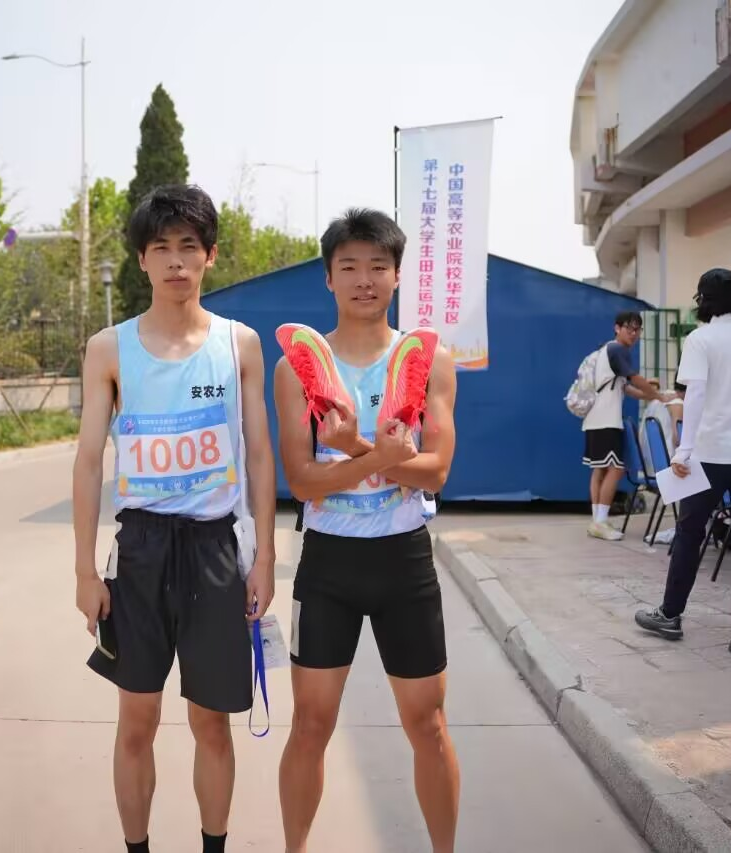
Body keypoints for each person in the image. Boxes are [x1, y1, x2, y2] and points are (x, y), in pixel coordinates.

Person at [71, 185, 277, 853]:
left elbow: (259, 454)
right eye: (161, 247)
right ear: (142, 259)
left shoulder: (239, 345)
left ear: (210, 255)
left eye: (189, 246)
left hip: (216, 549)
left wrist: (265, 559)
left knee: (211, 722)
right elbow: (87, 461)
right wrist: (84, 571)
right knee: (137, 718)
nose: (176, 261)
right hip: (140, 551)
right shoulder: (108, 349)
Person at [273, 209, 460, 853]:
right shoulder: (300, 367)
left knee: (428, 724)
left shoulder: (427, 362)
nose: (364, 279)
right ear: (328, 278)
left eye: (378, 266)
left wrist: (352, 450)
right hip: (328, 565)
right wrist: (376, 456)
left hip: (404, 562)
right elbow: (303, 481)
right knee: (310, 724)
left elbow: (436, 472)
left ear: (397, 275)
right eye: (348, 266)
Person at [635, 268, 731, 664]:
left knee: (690, 532)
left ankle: (670, 615)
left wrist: (683, 450)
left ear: (703, 300)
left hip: (711, 454)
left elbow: (695, 394)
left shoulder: (700, 339)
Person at [582, 312, 668, 541]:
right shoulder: (617, 349)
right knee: (616, 469)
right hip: (606, 421)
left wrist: (651, 396)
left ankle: (597, 520)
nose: (633, 333)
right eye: (629, 328)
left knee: (600, 469)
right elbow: (635, 379)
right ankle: (600, 521)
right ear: (617, 328)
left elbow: (627, 388)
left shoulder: (606, 350)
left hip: (595, 420)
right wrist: (660, 396)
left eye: (637, 329)